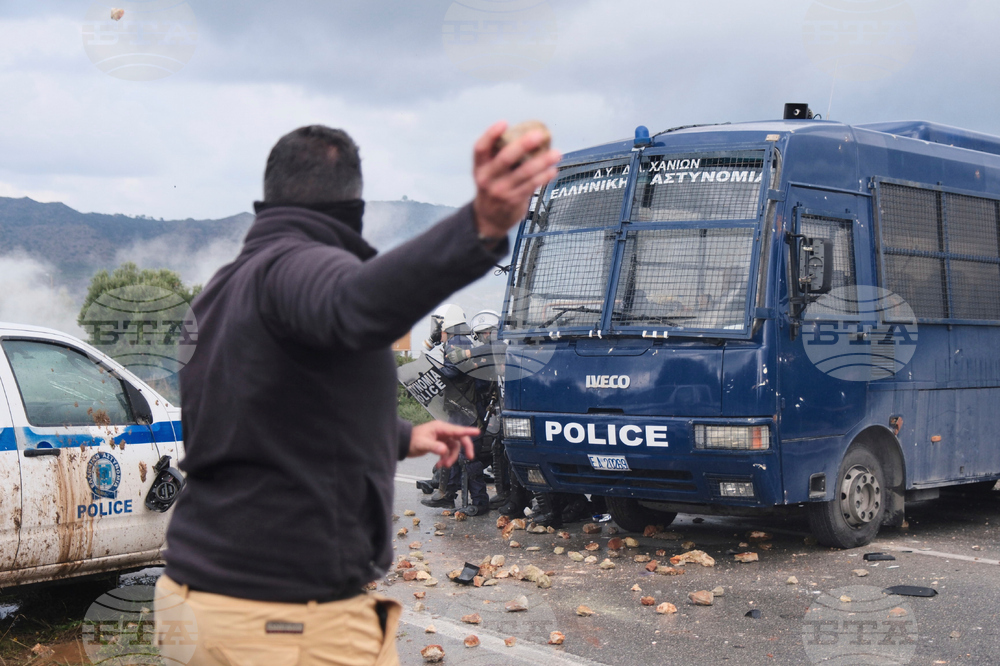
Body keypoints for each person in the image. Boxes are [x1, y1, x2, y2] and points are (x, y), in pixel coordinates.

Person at [156, 122, 560, 666]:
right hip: (282, 620)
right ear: (352, 207)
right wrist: (478, 225)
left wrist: (402, 436)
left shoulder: (220, 292)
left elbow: (273, 418)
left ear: (270, 197)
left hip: (200, 601)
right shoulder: (300, 269)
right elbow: (354, 303)